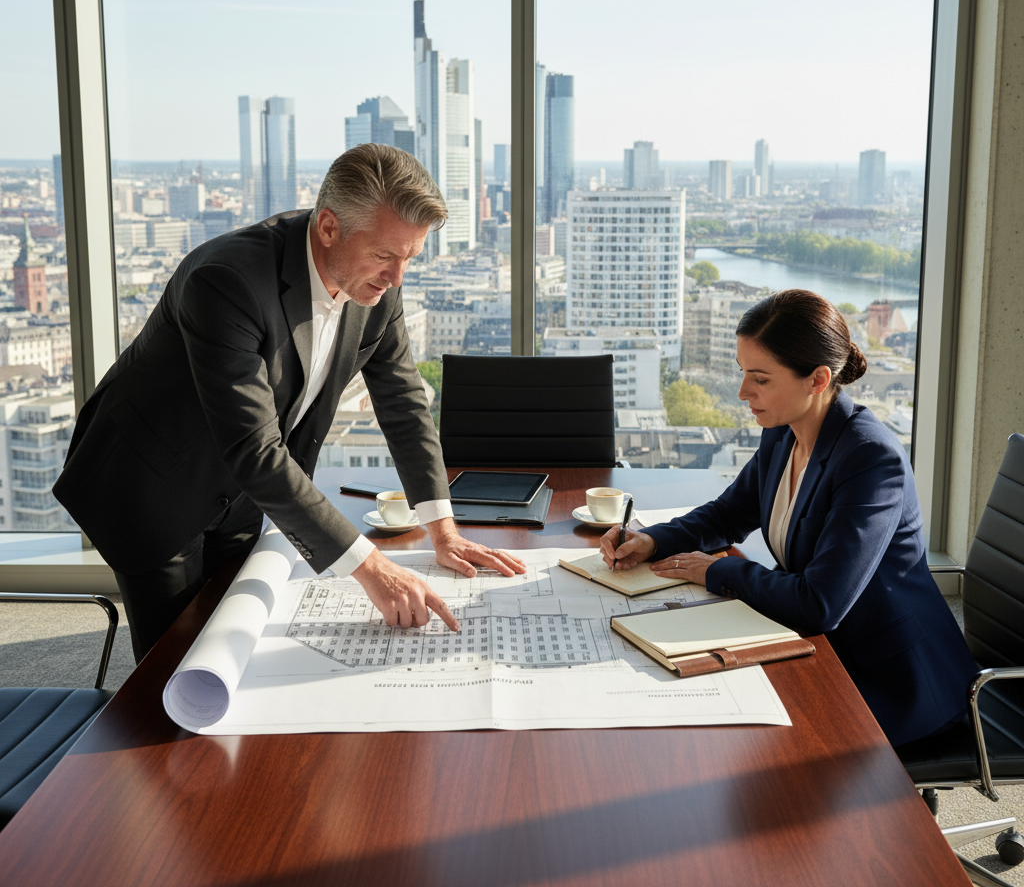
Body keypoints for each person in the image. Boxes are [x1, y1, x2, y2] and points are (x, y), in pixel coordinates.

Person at [54, 144, 525, 661]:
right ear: (328, 228)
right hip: (154, 482)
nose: (397, 279)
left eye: (409, 258)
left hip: (239, 491)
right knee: (176, 665)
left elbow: (403, 401)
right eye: (385, 256)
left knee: (237, 638)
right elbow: (254, 449)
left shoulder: (376, 288)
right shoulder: (227, 281)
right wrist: (372, 568)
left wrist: (443, 529)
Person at [599, 289, 976, 746]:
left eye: (760, 379)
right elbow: (730, 511)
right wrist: (653, 540)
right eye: (743, 374)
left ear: (817, 379)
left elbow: (820, 603)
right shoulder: (782, 433)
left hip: (891, 684)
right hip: (816, 648)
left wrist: (720, 569)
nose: (743, 393)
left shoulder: (871, 459)